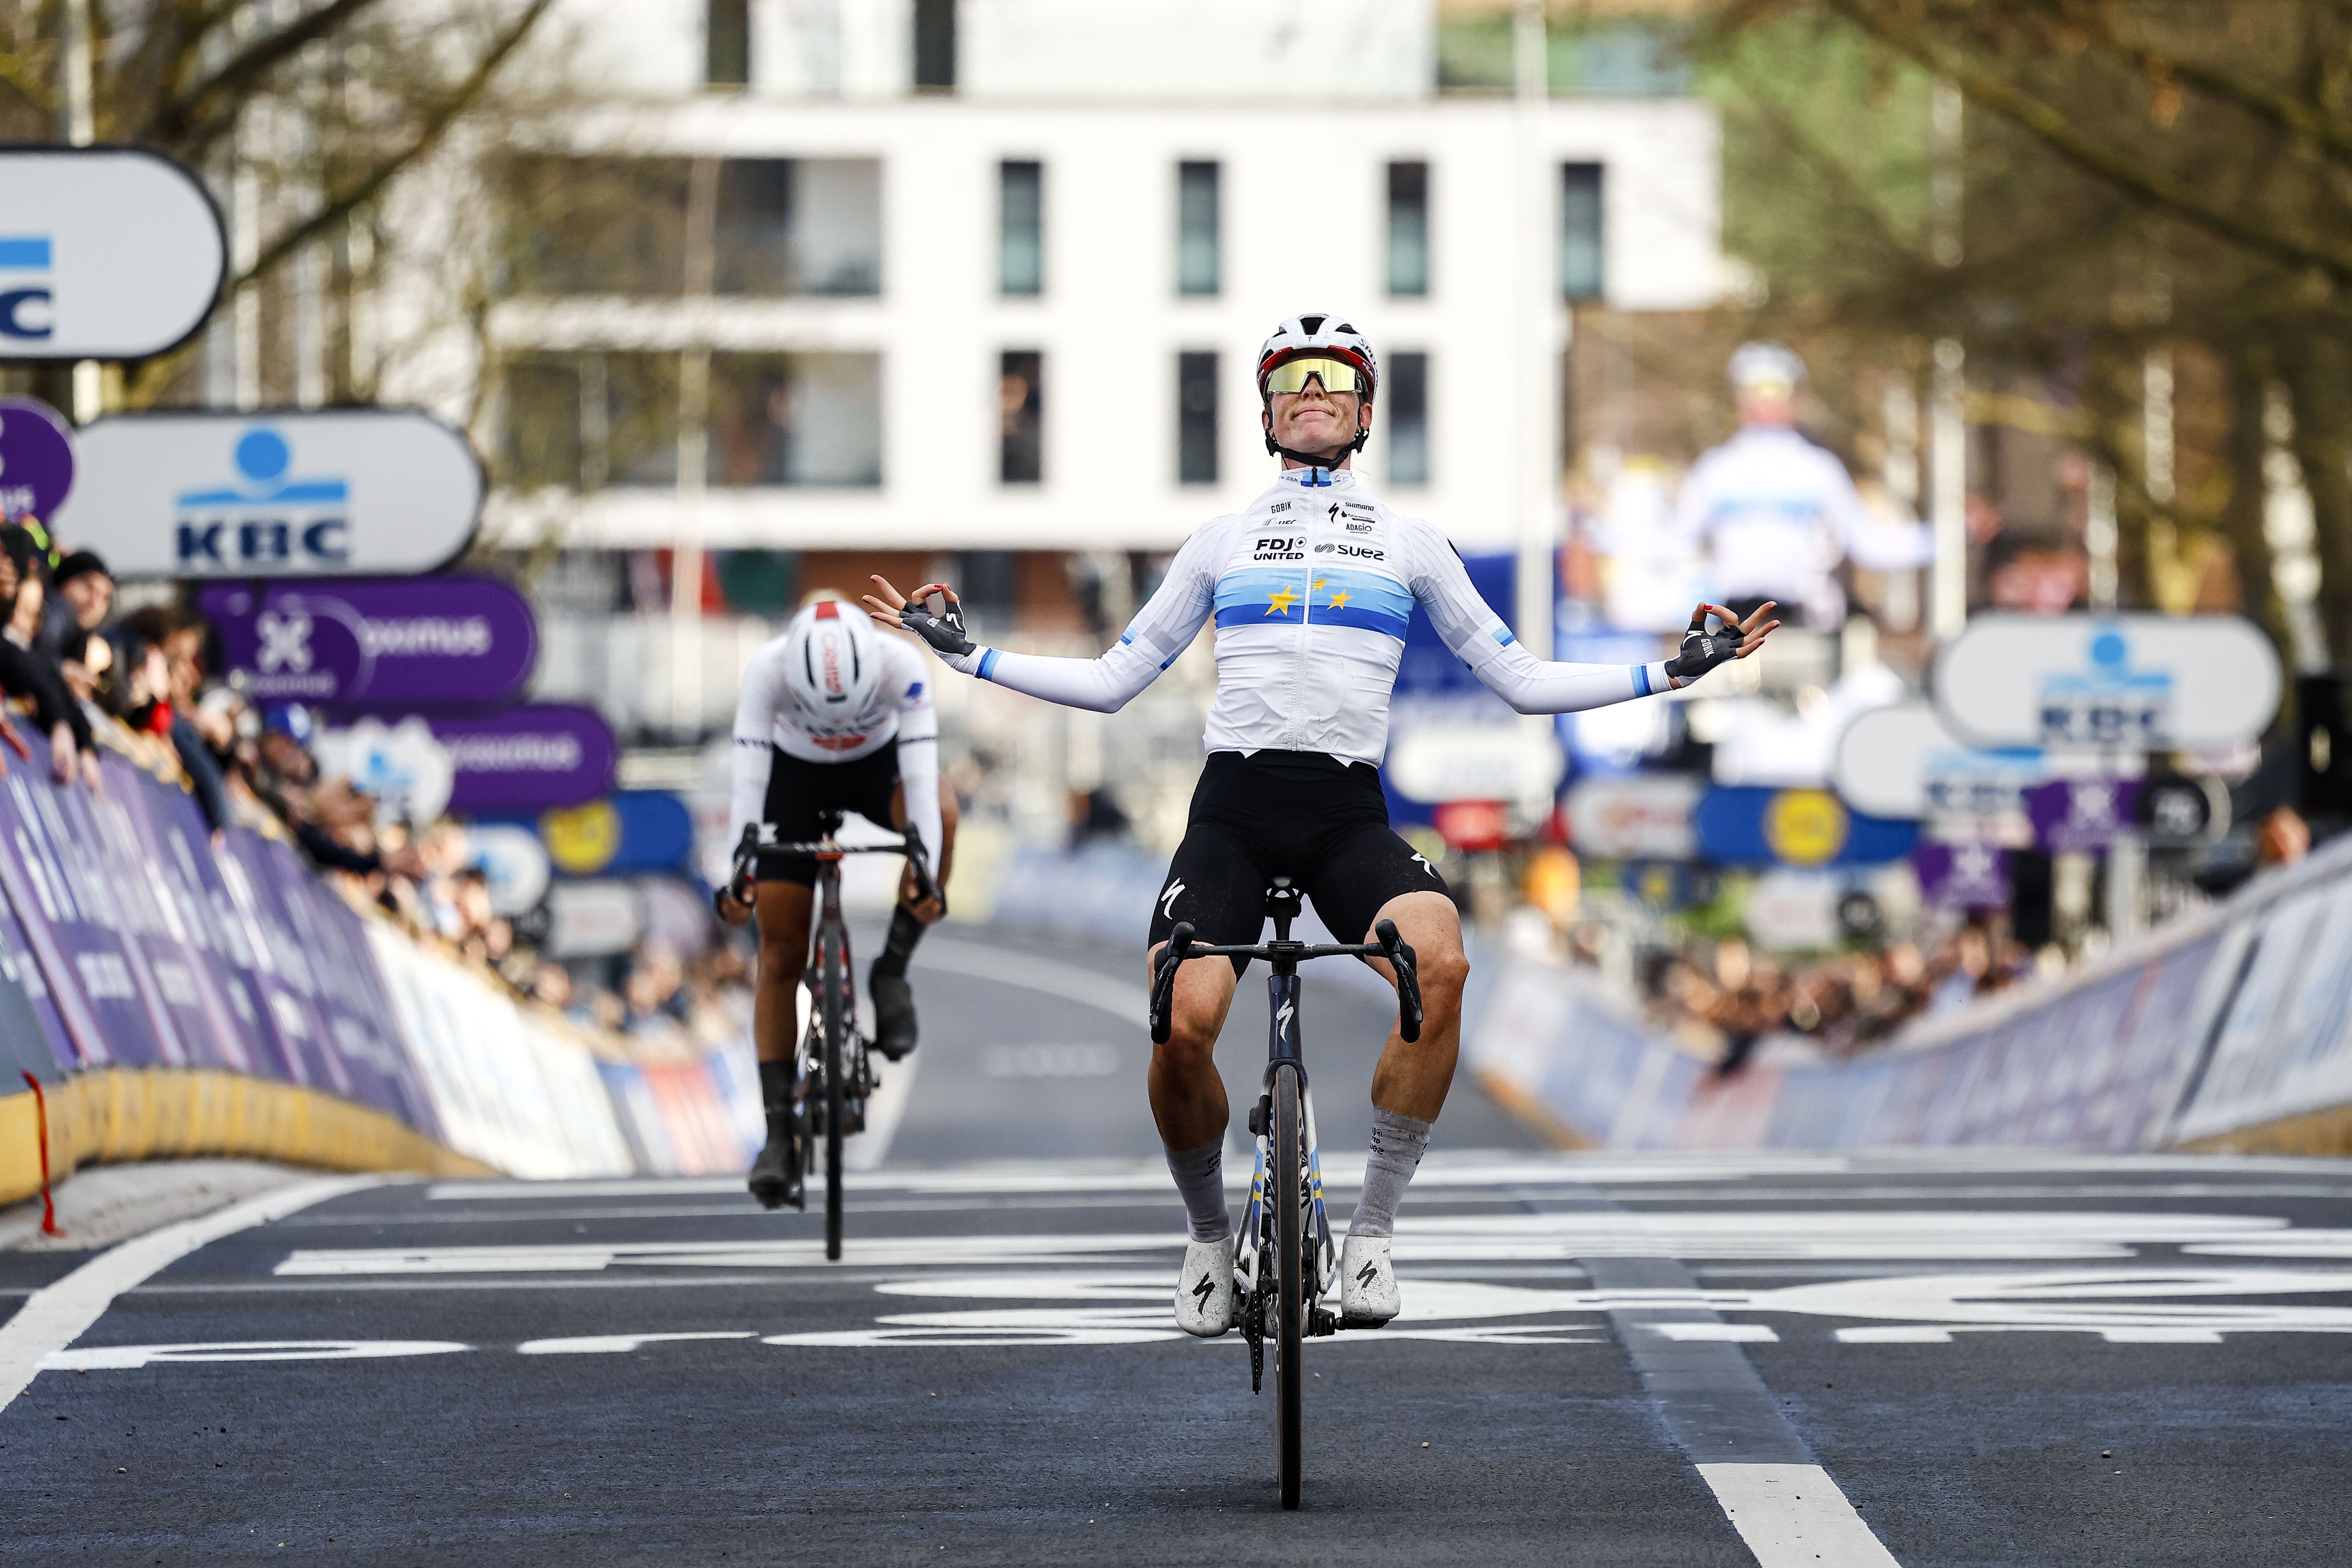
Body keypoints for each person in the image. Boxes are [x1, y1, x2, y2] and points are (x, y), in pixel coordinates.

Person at [866, 313, 1778, 1334]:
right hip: (1234, 813)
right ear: (1265, 412)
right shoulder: (1220, 541)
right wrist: (967, 657)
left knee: (1442, 964)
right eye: (1290, 379)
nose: (1310, 391)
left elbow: (1520, 680)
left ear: (1364, 412)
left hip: (1347, 812)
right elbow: (1118, 678)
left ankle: (1375, 1238)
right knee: (1180, 1027)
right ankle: (1210, 1237)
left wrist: (1668, 671)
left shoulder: (1410, 542)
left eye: (1333, 379)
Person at [715, 595, 958, 1210]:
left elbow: (924, 783)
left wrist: (924, 867)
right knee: (779, 957)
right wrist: (740, 870)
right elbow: (746, 787)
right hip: (790, 781)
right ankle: (777, 1136)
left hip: (878, 769)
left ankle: (893, 970)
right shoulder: (767, 670)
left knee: (945, 818)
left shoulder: (900, 664)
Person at [1672, 342, 1931, 630]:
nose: (1768, 403)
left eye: (1778, 392)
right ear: (1740, 399)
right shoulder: (1716, 469)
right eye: (1757, 392)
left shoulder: (1819, 468)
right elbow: (1675, 542)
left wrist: (1950, 536)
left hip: (1804, 621)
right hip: (1732, 623)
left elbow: (1867, 544)